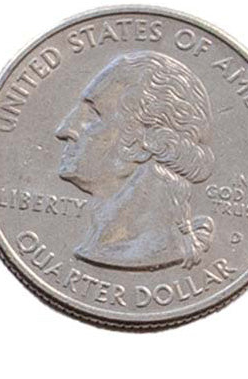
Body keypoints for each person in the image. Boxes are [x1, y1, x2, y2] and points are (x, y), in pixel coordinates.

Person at [55, 50, 215, 271]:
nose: (64, 130)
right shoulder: (102, 245)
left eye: (93, 114)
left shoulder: (148, 251)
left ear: (150, 140)